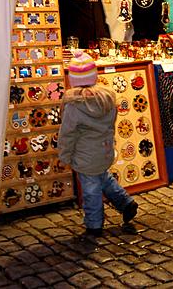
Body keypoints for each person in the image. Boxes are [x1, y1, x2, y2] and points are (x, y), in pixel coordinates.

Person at [58, 51, 138, 236]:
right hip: (105, 150)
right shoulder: (107, 99)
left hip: (85, 156)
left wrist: (64, 156)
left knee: (91, 190)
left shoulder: (73, 105)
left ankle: (94, 225)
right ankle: (125, 203)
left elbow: (67, 135)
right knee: (102, 176)